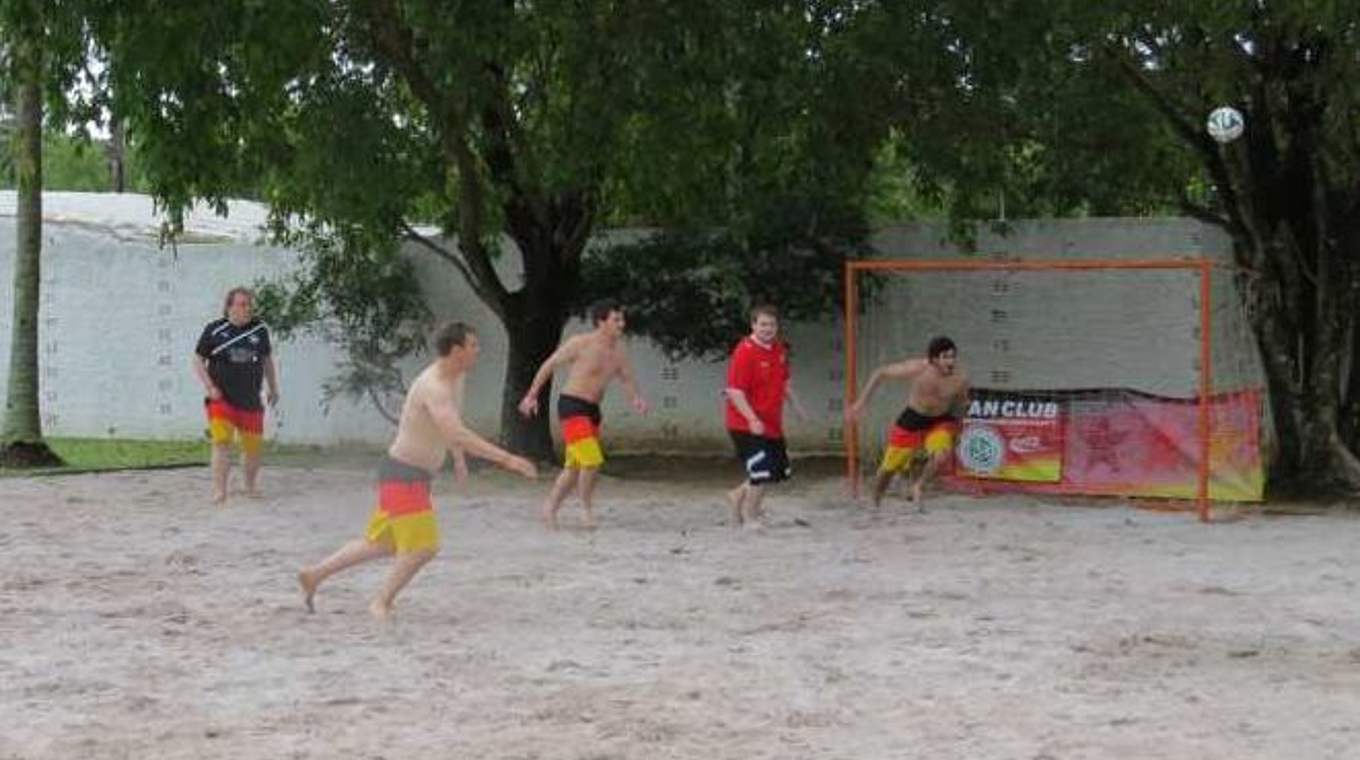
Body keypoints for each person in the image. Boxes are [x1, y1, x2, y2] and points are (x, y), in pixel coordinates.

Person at [298, 322, 537, 620]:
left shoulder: (456, 378)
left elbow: (451, 427)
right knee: (424, 547)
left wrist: (458, 457)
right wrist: (508, 460)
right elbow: (456, 430)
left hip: (410, 475)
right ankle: (381, 602)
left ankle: (314, 574)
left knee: (381, 543)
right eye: (473, 345)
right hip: (403, 475)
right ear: (456, 350)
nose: (478, 350)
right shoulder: (433, 385)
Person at [518, 299, 648, 530]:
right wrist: (531, 395)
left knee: (573, 468)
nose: (622, 324)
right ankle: (586, 509)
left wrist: (635, 398)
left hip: (592, 411)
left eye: (622, 319)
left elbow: (626, 378)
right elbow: (549, 365)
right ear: (601, 322)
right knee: (592, 460)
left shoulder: (619, 351)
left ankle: (550, 507)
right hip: (571, 406)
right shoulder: (580, 343)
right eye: (616, 319)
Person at [846, 335, 970, 510]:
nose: (950, 361)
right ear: (934, 360)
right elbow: (880, 373)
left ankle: (919, 486)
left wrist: (960, 428)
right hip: (913, 418)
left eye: (952, 356)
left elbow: (962, 404)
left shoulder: (960, 378)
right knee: (889, 468)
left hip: (940, 419)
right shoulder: (918, 368)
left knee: (942, 453)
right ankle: (876, 499)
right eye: (946, 357)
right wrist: (861, 403)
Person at [192, 287, 279, 504]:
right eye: (241, 304)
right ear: (229, 307)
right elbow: (197, 360)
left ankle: (250, 486)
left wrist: (273, 387)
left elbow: (267, 361)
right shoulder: (214, 330)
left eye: (249, 304)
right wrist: (209, 386)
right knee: (221, 442)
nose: (247, 308)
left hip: (250, 399)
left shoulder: (259, 330)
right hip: (221, 398)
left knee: (253, 448)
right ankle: (220, 491)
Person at [724, 304, 807, 528]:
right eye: (763, 324)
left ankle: (738, 495)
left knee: (775, 471)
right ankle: (751, 516)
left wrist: (797, 407)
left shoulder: (779, 349)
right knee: (760, 471)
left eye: (771, 324)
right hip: (745, 423)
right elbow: (734, 391)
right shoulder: (744, 351)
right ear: (753, 325)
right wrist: (752, 419)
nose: (767, 329)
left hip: (771, 423)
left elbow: (785, 381)